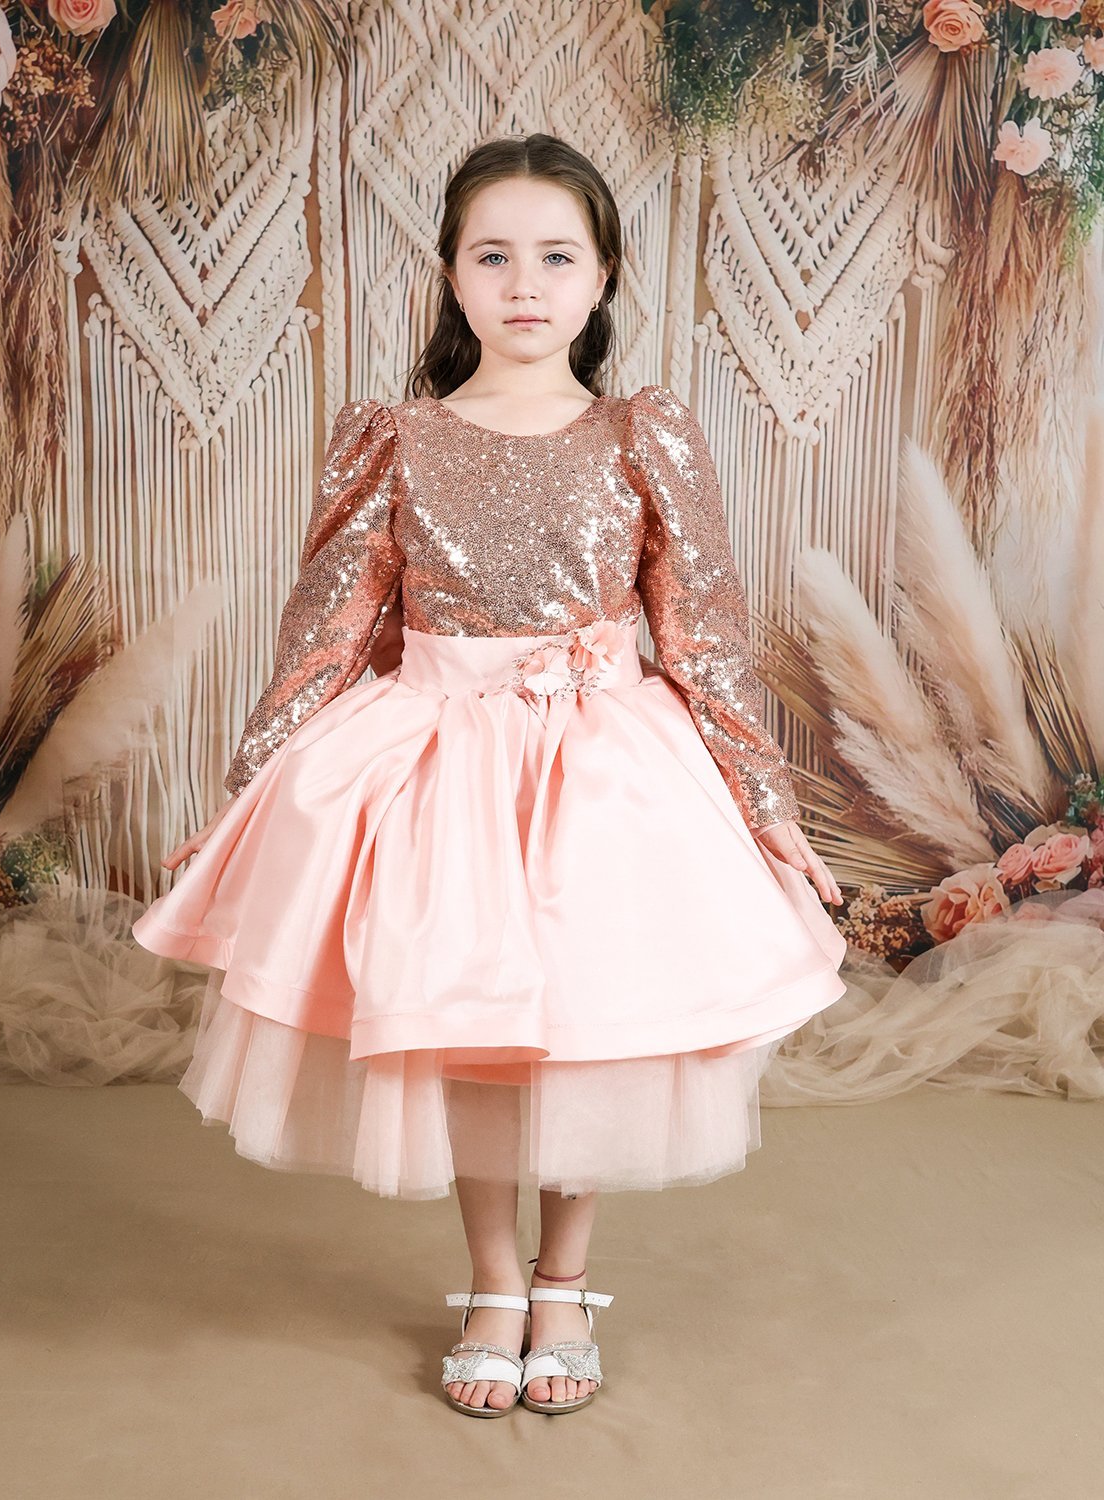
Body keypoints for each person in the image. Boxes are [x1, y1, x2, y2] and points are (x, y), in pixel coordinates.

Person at [131, 132, 848, 1419]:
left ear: (604, 276)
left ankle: (567, 1282)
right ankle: (495, 1282)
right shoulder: (398, 440)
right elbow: (330, 631)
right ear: (453, 275)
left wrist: (766, 805)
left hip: (608, 775)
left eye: (558, 257)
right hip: (445, 773)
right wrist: (248, 791)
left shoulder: (643, 434)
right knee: (466, 1026)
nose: (526, 283)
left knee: (592, 1022)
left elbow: (704, 635)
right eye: (494, 256)